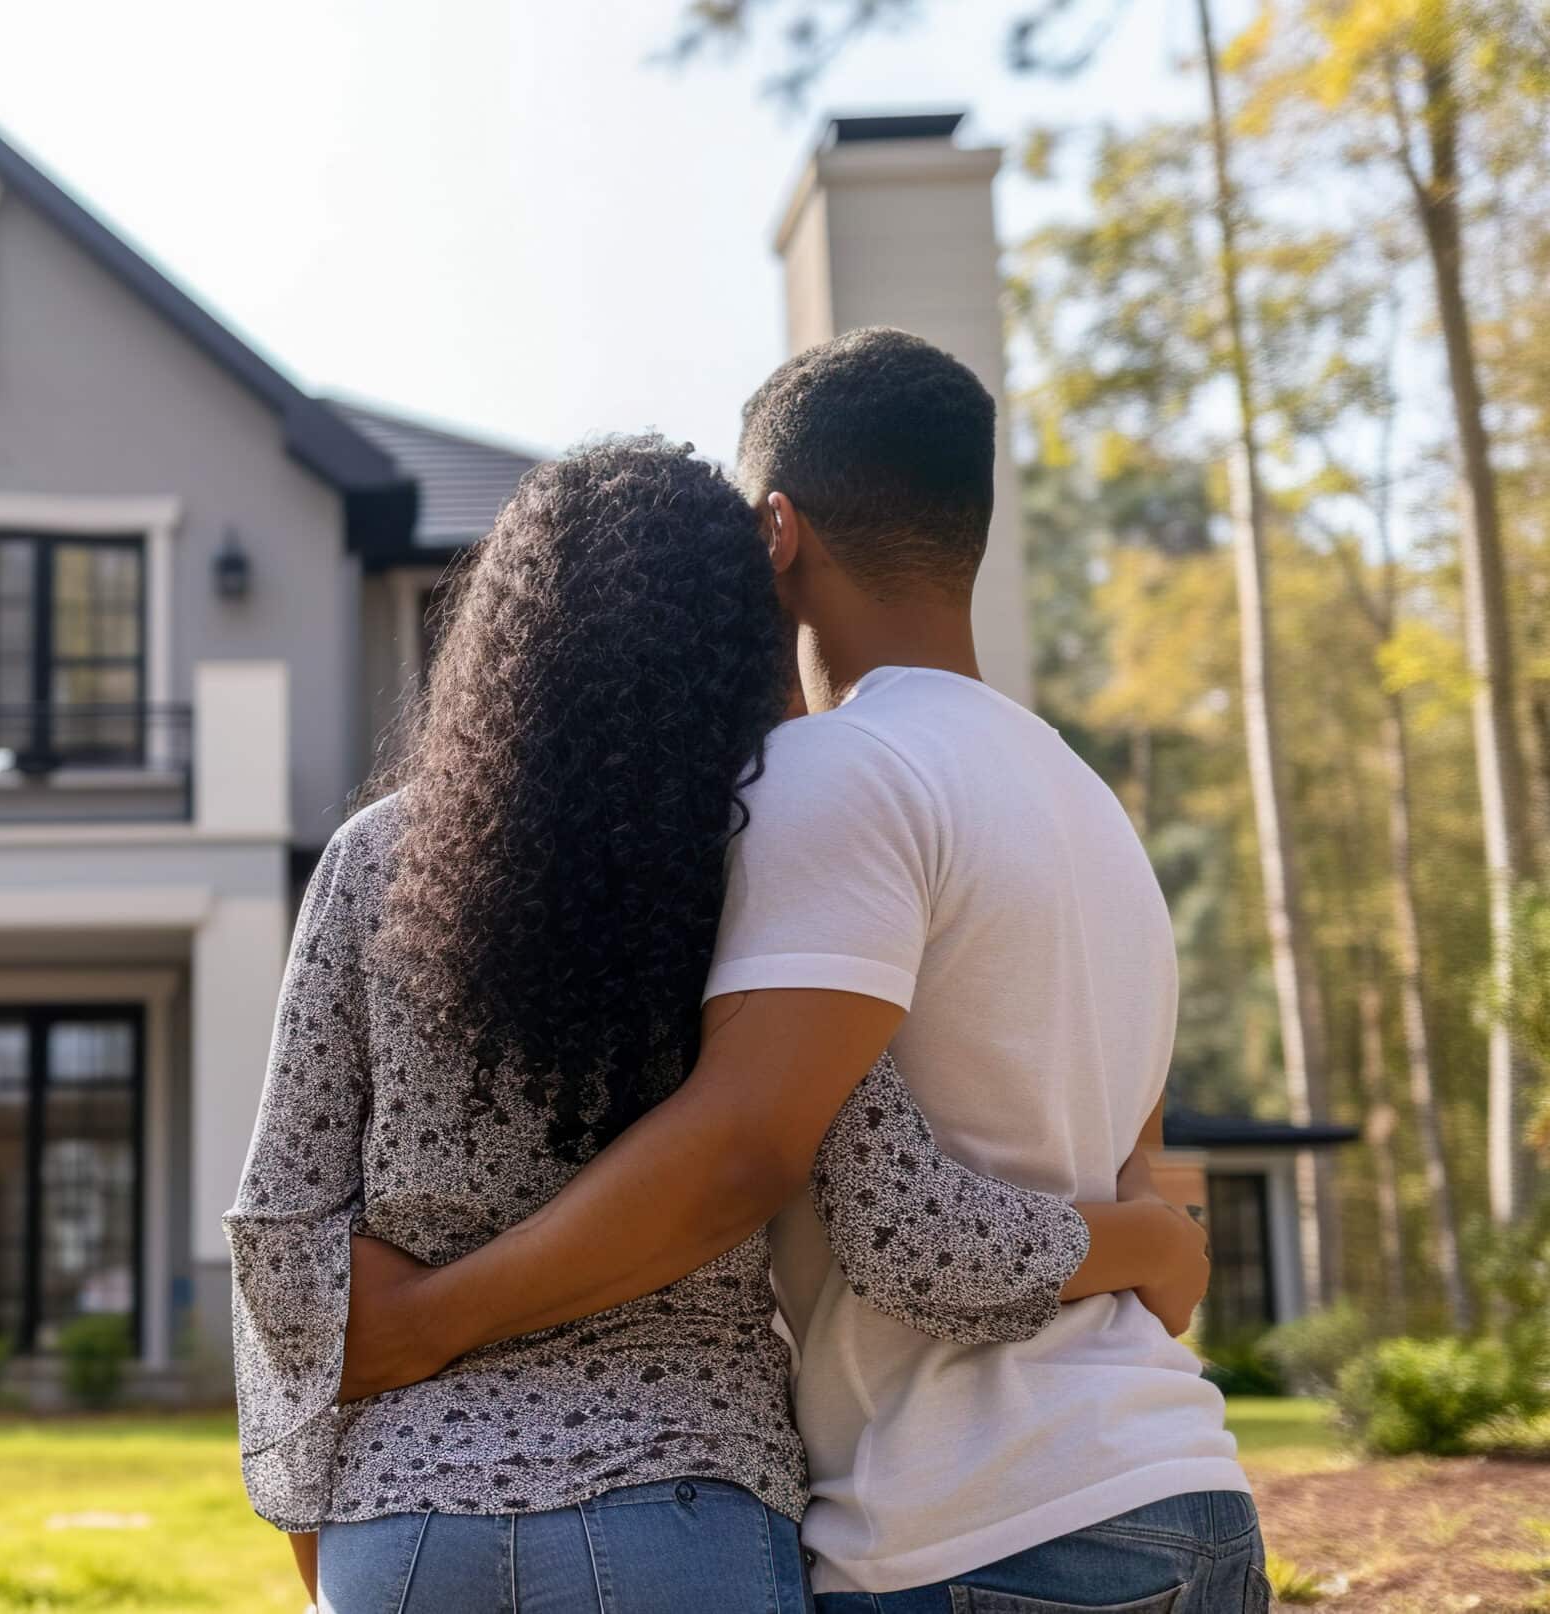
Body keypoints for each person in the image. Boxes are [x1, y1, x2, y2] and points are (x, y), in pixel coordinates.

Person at [335, 330, 1256, 1611]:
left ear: (775, 529)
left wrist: (423, 1322)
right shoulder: (1091, 809)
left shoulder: (832, 777)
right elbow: (1132, 1181)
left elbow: (743, 1152)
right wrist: (1157, 1239)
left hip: (976, 1526)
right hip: (1183, 1490)